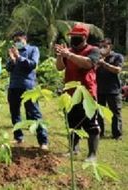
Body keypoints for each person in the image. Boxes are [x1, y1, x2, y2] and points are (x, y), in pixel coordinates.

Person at [54, 23, 100, 162]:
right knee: (72, 123)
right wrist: (60, 56)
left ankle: (92, 154)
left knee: (91, 124)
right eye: (72, 36)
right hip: (70, 93)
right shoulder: (68, 51)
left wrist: (69, 54)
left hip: (87, 93)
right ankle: (73, 149)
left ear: (84, 37)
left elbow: (88, 63)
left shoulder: (94, 50)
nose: (73, 38)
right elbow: (59, 68)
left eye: (76, 36)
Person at [6, 31, 48, 150]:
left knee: (34, 113)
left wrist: (19, 57)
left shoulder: (33, 50)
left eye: (19, 40)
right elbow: (8, 68)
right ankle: (18, 137)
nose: (17, 43)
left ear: (25, 39)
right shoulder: (12, 52)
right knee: (15, 113)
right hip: (14, 86)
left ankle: (43, 141)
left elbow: (32, 64)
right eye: (15, 41)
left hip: (28, 87)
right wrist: (12, 59)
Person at [97, 38, 124, 140]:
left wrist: (104, 64)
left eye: (105, 46)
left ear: (110, 46)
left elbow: (117, 70)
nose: (102, 49)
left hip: (113, 90)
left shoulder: (117, 57)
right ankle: (99, 132)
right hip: (99, 89)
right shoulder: (98, 57)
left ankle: (117, 134)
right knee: (99, 113)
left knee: (115, 112)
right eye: (100, 47)